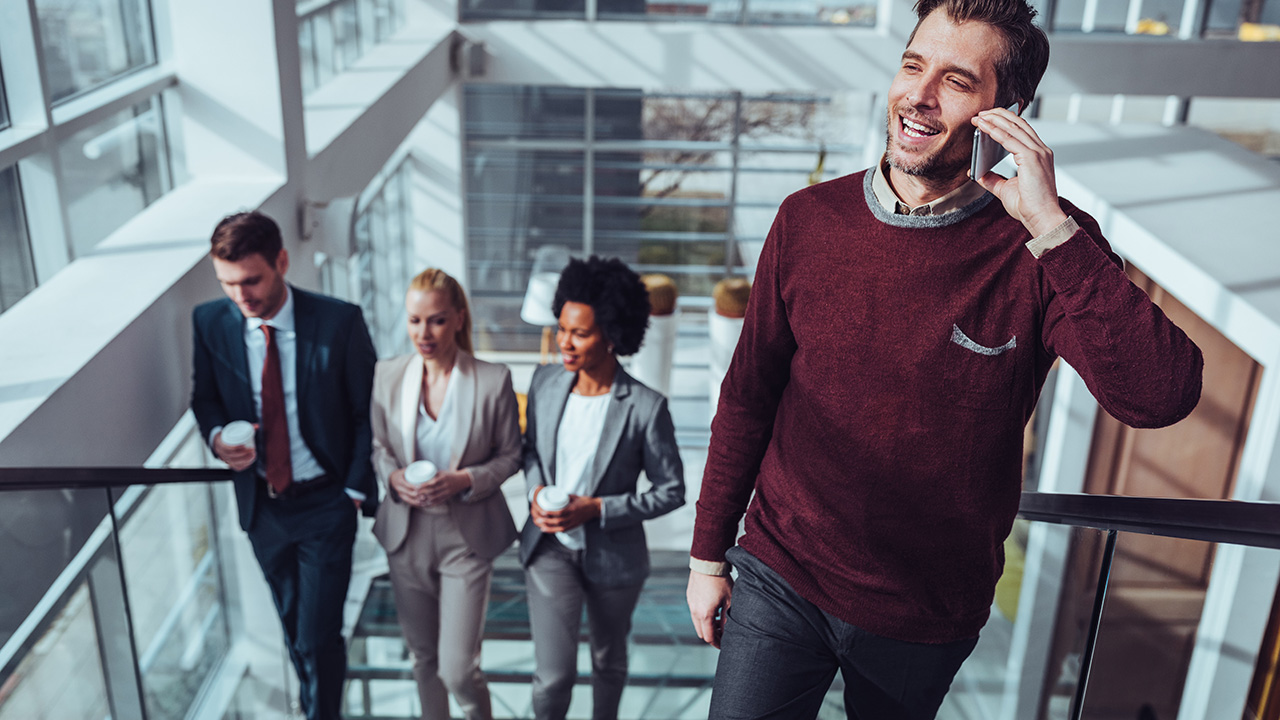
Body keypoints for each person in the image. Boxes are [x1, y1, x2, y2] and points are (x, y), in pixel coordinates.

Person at [685, 1, 1205, 719]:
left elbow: (1160, 395)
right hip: (783, 572)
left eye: (957, 81)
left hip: (924, 614)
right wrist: (708, 557)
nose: (918, 97)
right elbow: (747, 398)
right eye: (912, 65)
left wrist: (1052, 228)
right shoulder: (808, 220)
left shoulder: (1047, 245)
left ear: (1008, 111)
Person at [190, 210, 377, 720]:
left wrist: (354, 493)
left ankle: (322, 714)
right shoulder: (210, 322)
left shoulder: (339, 323)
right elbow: (204, 398)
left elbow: (367, 413)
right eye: (228, 283)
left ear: (282, 262)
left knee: (318, 635)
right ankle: (313, 704)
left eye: (252, 280)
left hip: (325, 503)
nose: (241, 296)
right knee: (295, 628)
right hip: (262, 509)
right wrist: (215, 439)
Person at [519, 256, 686, 720]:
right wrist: (536, 493)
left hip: (614, 556)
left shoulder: (645, 408)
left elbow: (671, 489)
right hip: (550, 549)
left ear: (612, 335)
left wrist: (596, 508)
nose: (564, 342)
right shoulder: (545, 382)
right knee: (553, 678)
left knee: (608, 662)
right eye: (562, 328)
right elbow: (530, 450)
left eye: (580, 333)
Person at [368, 268, 521, 720]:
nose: (423, 333)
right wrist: (393, 477)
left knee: (457, 669)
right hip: (405, 534)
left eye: (435, 320)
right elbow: (379, 447)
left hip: (466, 538)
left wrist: (464, 480)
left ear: (458, 318)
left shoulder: (493, 379)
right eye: (415, 321)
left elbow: (511, 456)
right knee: (423, 661)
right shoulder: (387, 374)